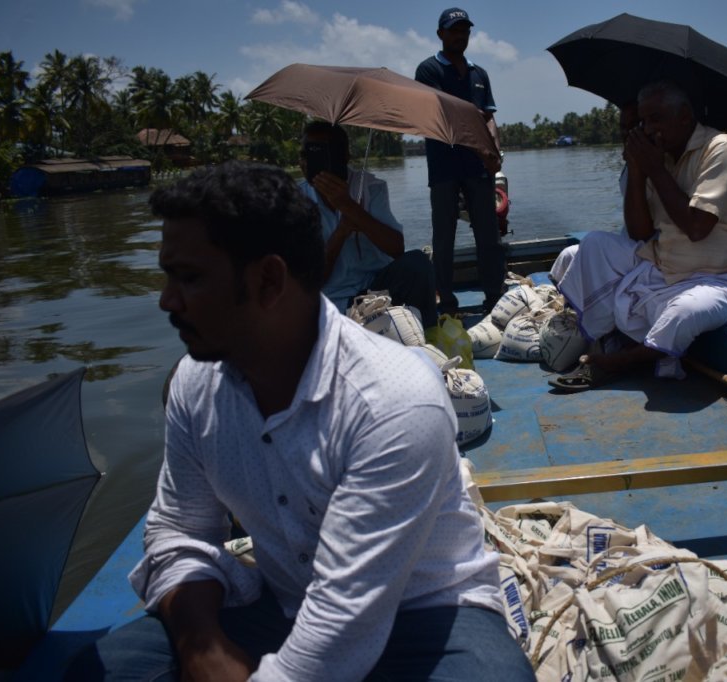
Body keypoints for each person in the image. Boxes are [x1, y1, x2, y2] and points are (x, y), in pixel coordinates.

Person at [67, 162, 534, 681]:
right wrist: (204, 649)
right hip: (288, 601)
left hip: (424, 615)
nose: (166, 301)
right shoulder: (194, 385)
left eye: (190, 278)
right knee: (103, 671)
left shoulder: (393, 401)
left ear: (268, 280)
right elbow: (179, 531)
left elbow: (340, 625)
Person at [550, 80, 727, 391]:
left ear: (685, 117)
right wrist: (638, 171)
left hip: (726, 277)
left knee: (684, 312)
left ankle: (623, 360)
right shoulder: (660, 155)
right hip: (667, 267)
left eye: (656, 119)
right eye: (644, 121)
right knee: (592, 245)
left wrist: (654, 169)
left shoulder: (722, 149)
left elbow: (696, 228)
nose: (648, 129)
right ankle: (603, 340)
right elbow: (640, 232)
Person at [298, 120, 437, 328]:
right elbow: (311, 280)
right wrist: (342, 231)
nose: (307, 162)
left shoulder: (371, 187)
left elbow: (396, 248)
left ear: (344, 155)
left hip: (376, 289)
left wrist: (351, 209)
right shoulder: (296, 201)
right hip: (333, 303)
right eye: (305, 154)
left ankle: (428, 339)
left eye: (318, 153)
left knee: (417, 263)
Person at [415, 7, 506, 315]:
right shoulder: (428, 71)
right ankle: (447, 303)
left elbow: (488, 116)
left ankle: (495, 296)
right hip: (444, 167)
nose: (460, 36)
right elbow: (449, 115)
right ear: (441, 34)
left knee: (489, 235)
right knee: (444, 239)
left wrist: (495, 150)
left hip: (478, 168)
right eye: (454, 30)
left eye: (465, 30)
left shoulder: (479, 74)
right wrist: (482, 150)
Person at [549, 101, 641, 284]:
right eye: (623, 127)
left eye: (634, 126)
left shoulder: (653, 162)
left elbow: (641, 232)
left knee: (592, 242)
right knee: (567, 256)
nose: (626, 132)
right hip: (626, 242)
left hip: (643, 249)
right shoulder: (630, 162)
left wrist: (637, 166)